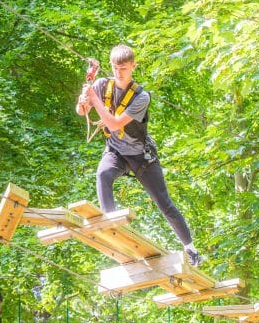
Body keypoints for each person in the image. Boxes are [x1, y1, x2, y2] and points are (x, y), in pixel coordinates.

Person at [76, 43, 203, 267]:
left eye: (124, 68)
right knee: (103, 175)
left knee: (164, 203)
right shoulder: (102, 85)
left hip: (141, 157)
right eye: (115, 67)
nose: (119, 72)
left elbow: (115, 124)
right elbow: (82, 111)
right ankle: (112, 228)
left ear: (133, 66)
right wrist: (84, 101)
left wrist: (94, 101)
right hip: (116, 151)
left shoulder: (141, 97)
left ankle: (190, 248)